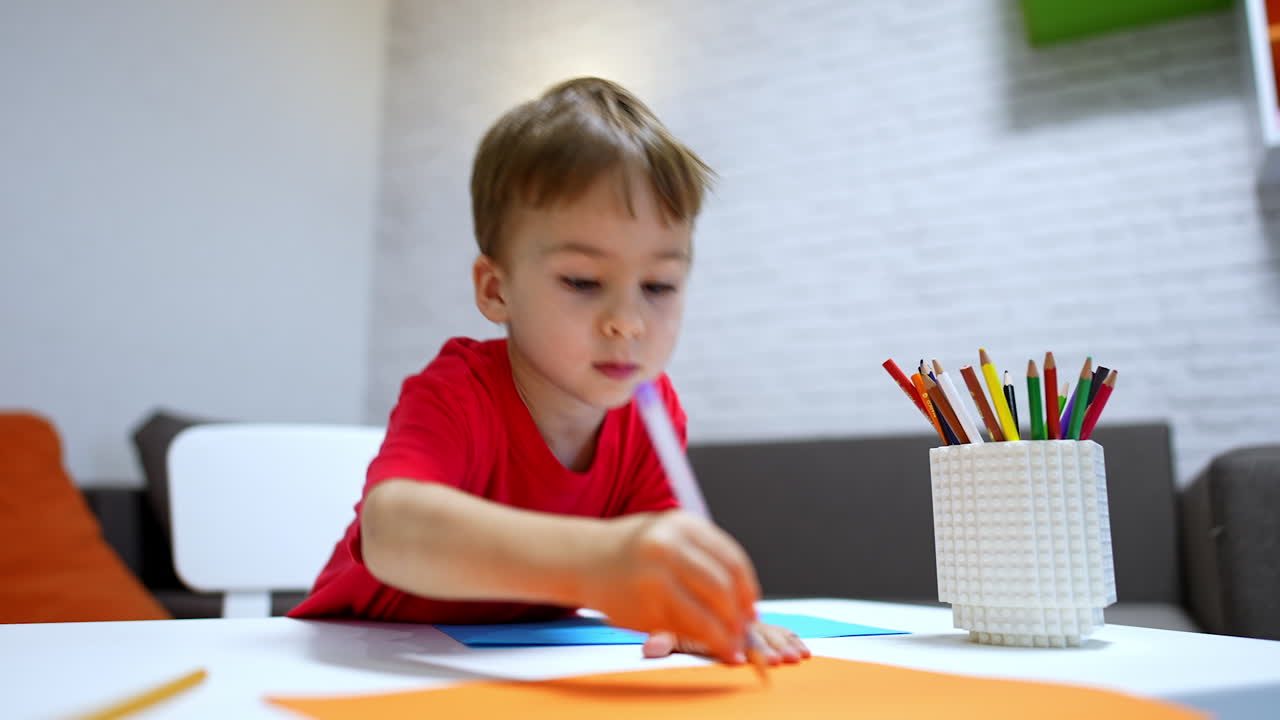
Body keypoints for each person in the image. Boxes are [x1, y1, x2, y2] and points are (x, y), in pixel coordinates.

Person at [289, 77, 809, 667]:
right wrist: (596, 563)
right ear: (495, 288)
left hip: (517, 669)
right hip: (362, 662)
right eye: (584, 282)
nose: (628, 322)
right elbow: (391, 532)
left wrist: (688, 609)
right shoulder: (458, 392)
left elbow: (657, 568)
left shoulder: (651, 411)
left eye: (659, 286)